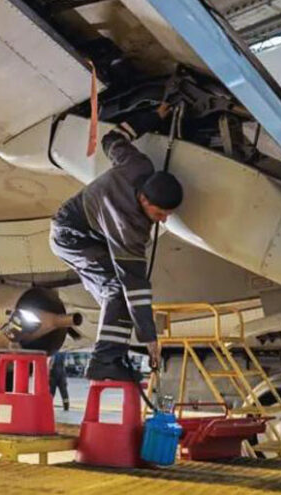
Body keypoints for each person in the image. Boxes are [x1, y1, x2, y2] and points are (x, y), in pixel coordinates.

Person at [49, 107, 183, 383]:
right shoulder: (128, 224)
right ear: (144, 200)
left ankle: (112, 357)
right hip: (71, 236)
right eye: (160, 214)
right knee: (116, 290)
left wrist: (153, 116)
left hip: (88, 233)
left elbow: (112, 139)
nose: (164, 219)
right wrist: (149, 337)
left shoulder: (138, 166)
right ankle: (104, 362)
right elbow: (135, 284)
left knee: (116, 295)